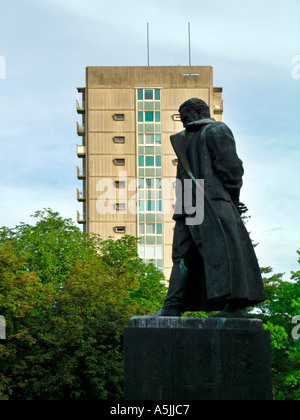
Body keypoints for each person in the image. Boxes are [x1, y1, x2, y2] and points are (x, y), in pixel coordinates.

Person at [157, 98, 266, 318]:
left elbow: (230, 170)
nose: (183, 119)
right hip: (199, 201)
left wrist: (229, 200)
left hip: (202, 200)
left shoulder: (211, 131)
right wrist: (231, 200)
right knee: (189, 254)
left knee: (212, 252)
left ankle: (233, 307)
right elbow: (229, 171)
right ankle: (173, 306)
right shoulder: (198, 134)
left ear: (197, 112)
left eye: (185, 114)